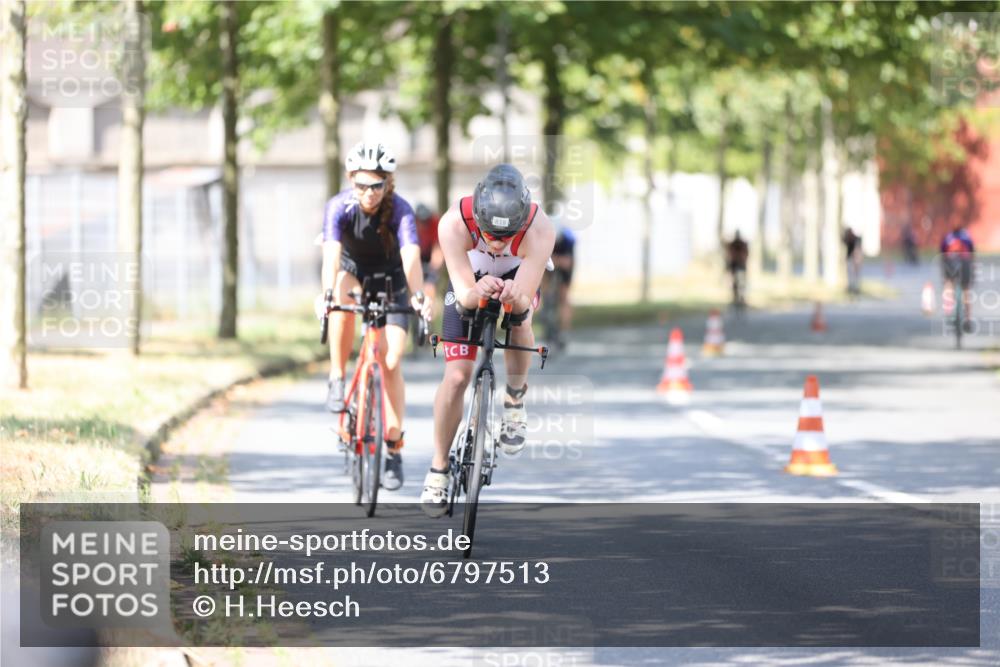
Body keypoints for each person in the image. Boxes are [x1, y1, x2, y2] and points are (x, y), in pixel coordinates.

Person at [420, 164, 555, 517]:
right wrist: (474, 291)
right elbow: (464, 295)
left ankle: (514, 399)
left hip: (517, 279)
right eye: (489, 233)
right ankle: (438, 469)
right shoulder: (453, 222)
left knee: (520, 320)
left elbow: (522, 303)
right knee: (457, 377)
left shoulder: (540, 229)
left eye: (505, 235)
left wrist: (515, 296)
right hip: (470, 278)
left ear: (521, 222)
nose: (496, 241)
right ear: (477, 217)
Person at [319, 141, 432, 491]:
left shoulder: (401, 210)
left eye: (377, 186)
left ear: (388, 183)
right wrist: (325, 294)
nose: (369, 193)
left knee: (391, 360)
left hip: (392, 280)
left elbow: (411, 257)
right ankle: (337, 376)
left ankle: (394, 447)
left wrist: (418, 296)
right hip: (353, 273)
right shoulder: (338, 207)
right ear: (351, 180)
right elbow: (331, 254)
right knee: (340, 298)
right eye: (362, 185)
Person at [940, 220, 975, 332]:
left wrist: (944, 274)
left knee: (949, 284)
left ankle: (949, 312)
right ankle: (968, 319)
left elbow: (942, 255)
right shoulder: (967, 237)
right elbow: (972, 254)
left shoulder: (948, 237)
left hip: (950, 263)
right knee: (966, 290)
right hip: (965, 263)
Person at [547, 223, 577, 348]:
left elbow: (568, 262)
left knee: (564, 296)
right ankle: (547, 321)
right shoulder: (545, 233)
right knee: (545, 289)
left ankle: (564, 331)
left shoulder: (568, 238)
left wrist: (557, 260)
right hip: (550, 254)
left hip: (565, 257)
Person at [414, 203, 444, 311]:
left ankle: (429, 309)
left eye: (426, 221)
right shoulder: (412, 224)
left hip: (429, 254)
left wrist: (433, 268)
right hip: (417, 253)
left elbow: (437, 249)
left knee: (430, 286)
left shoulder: (434, 222)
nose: (424, 224)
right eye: (422, 222)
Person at [725, 231, 749, 308]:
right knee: (735, 283)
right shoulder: (733, 244)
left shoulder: (742, 244)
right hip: (735, 265)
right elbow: (729, 254)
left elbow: (746, 253)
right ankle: (736, 299)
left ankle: (741, 298)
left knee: (741, 283)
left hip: (740, 265)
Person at [843, 227, 863, 294]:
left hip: (855, 259)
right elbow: (844, 242)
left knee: (855, 274)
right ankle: (850, 286)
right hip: (850, 258)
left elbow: (857, 250)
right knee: (850, 273)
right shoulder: (848, 240)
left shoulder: (856, 240)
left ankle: (856, 287)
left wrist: (857, 259)